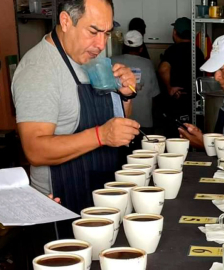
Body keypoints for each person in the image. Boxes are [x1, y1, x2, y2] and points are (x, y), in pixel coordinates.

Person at [11, 0, 139, 215]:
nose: (100, 44)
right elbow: (35, 150)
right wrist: (101, 136)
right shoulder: (39, 70)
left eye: (106, 33)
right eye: (94, 31)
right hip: (62, 202)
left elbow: (118, 125)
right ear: (65, 21)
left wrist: (126, 95)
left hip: (101, 192)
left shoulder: (92, 59)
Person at [158, 17, 205, 137]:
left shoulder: (172, 50)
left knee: (175, 137)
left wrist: (169, 88)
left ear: (175, 32)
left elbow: (163, 69)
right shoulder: (198, 51)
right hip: (195, 102)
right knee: (192, 135)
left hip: (177, 100)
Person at [111, 30, 160, 139]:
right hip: (144, 123)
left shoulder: (111, 61)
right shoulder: (148, 64)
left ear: (123, 46)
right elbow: (155, 95)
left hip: (118, 123)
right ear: (141, 48)